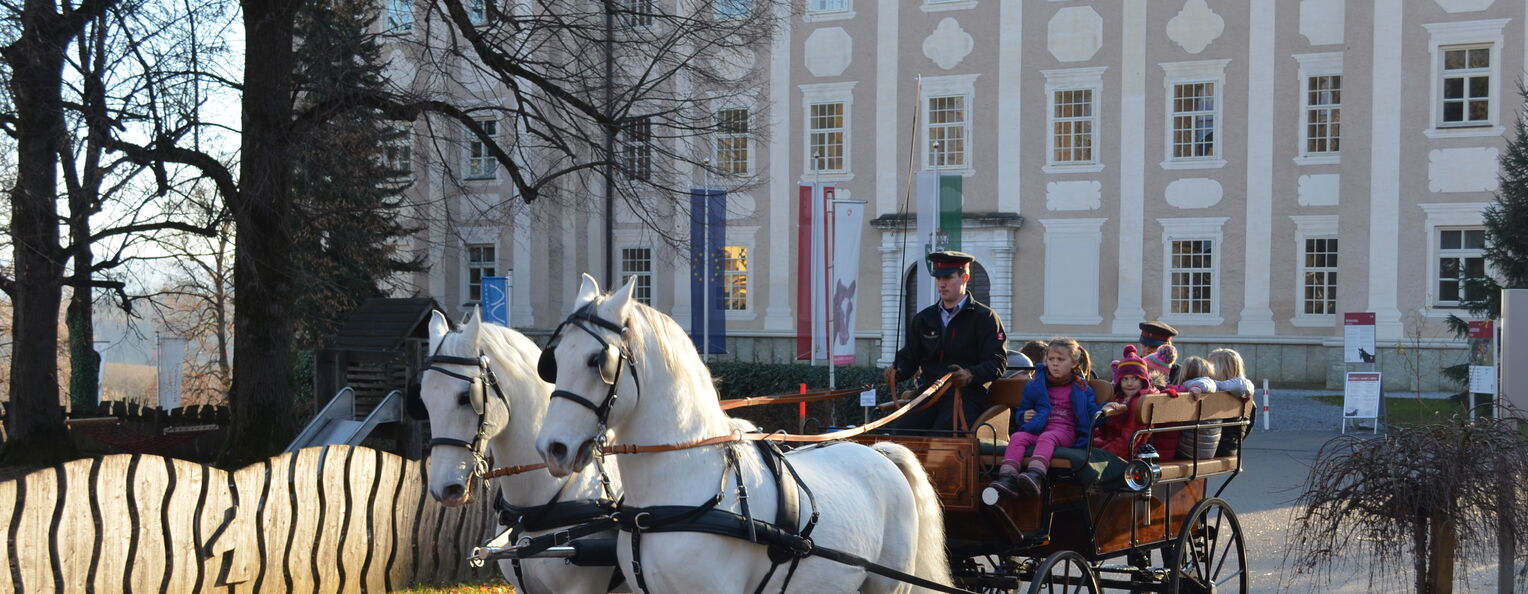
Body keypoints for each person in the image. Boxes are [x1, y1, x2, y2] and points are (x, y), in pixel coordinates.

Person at [888, 251, 1008, 433]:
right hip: (928, 394)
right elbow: (910, 356)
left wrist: (970, 374)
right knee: (900, 435)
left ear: (965, 277)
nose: (941, 284)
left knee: (942, 438)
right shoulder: (923, 318)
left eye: (948, 278)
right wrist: (898, 371)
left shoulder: (985, 318)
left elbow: (998, 362)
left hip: (967, 396)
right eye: (938, 279)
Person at [986, 338, 1118, 498]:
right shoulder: (1036, 385)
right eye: (1051, 359)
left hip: (1066, 432)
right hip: (1038, 427)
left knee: (1048, 437)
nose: (1055, 363)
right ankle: (1008, 478)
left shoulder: (1080, 387)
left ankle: (1035, 475)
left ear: (1074, 363)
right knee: (1018, 436)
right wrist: (1023, 415)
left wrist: (1105, 408)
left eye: (1061, 360)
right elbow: (1024, 409)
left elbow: (1090, 412)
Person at [1092, 346, 1161, 459]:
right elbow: (1105, 430)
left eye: (1134, 379)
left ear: (1143, 381)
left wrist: (1101, 455)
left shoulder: (1139, 403)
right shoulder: (1120, 397)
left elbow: (1129, 440)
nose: (1129, 383)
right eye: (1125, 379)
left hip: (1127, 454)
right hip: (1109, 444)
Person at [1139, 321, 1181, 385]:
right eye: (1144, 345)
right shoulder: (1134, 365)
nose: (1147, 350)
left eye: (1153, 346)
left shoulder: (1178, 372)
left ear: (1166, 347)